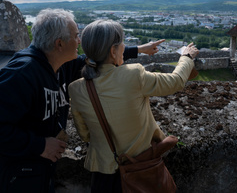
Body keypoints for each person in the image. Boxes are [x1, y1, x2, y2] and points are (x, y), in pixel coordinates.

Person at [0, 8, 165, 193]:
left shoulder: (59, 65)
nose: (80, 41)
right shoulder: (22, 73)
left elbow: (99, 58)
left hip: (37, 171)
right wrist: (41, 145)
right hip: (16, 176)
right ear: (60, 44)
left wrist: (138, 49)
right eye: (76, 36)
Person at [68, 19, 199, 193]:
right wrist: (187, 57)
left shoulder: (76, 88)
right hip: (140, 170)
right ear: (113, 51)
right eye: (122, 43)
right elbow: (175, 82)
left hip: (103, 176)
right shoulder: (133, 75)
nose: (124, 46)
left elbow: (85, 135)